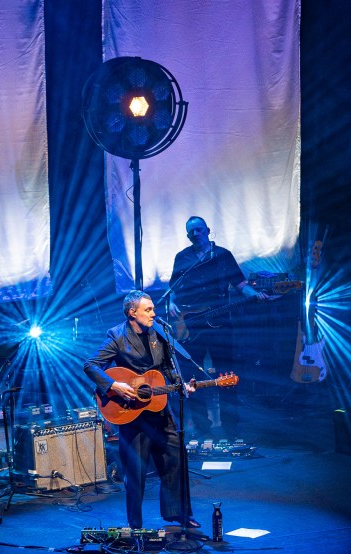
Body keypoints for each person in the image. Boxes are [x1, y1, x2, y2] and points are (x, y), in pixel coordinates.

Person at [84, 290, 197, 530]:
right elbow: (91, 365)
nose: (154, 313)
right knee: (136, 472)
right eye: (148, 310)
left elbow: (168, 366)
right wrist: (114, 385)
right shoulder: (117, 336)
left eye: (153, 308)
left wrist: (180, 384)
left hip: (160, 407)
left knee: (176, 458)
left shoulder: (160, 332)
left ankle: (179, 514)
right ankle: (135, 524)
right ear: (131, 313)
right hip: (132, 413)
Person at [168, 216, 267, 437]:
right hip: (191, 325)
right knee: (191, 375)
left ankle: (230, 427)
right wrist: (172, 302)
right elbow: (173, 287)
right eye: (191, 231)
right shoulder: (182, 257)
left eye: (199, 230)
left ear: (208, 230)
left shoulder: (223, 255)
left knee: (227, 374)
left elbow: (241, 286)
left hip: (221, 325)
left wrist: (256, 295)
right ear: (187, 235)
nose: (195, 234)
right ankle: (202, 428)